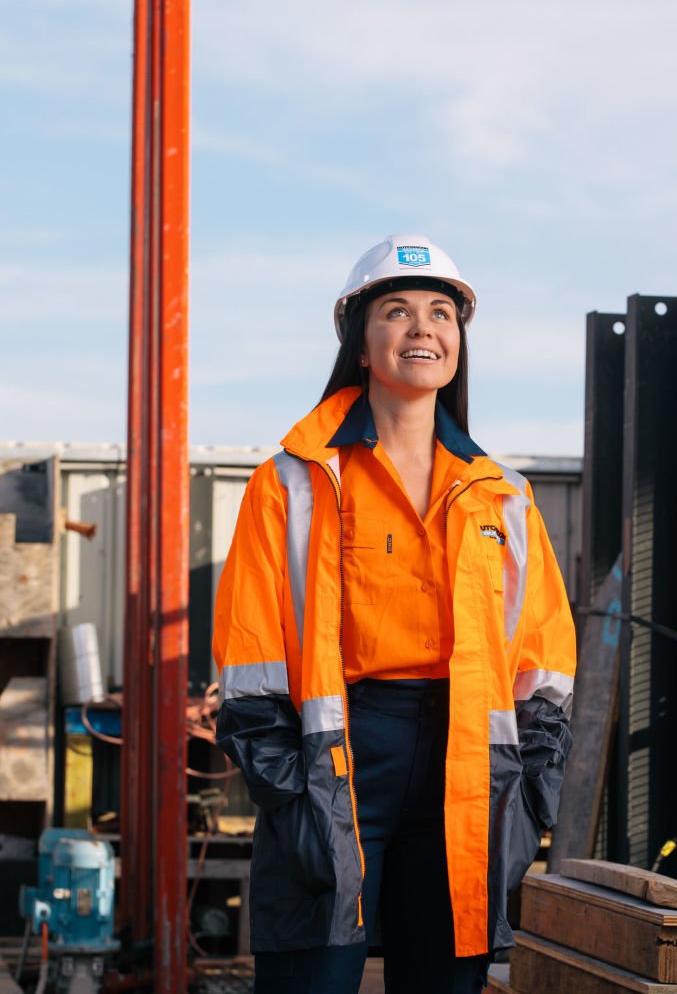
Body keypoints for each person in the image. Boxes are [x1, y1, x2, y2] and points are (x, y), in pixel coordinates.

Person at [213, 234, 576, 994]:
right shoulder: (290, 483)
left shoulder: (501, 496)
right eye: (398, 311)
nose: (423, 329)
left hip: (465, 767)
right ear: (360, 338)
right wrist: (292, 790)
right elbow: (249, 660)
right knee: (311, 976)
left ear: (458, 341)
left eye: (442, 313)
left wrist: (529, 792)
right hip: (336, 762)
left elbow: (543, 668)